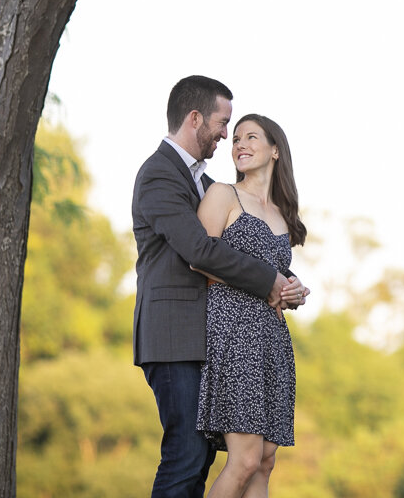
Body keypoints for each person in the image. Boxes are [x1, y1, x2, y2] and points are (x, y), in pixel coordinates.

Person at [132, 77, 308, 498]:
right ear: (195, 119)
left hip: (215, 336)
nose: (228, 136)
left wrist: (289, 286)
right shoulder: (159, 174)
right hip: (175, 335)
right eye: (224, 123)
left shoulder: (207, 184)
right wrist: (270, 282)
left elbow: (249, 249)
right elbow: (199, 249)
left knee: (214, 459)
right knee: (187, 455)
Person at [195, 113, 308, 498]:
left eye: (251, 137)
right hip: (234, 332)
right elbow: (199, 260)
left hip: (273, 340)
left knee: (264, 462)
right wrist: (267, 284)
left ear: (275, 150)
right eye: (236, 138)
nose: (239, 143)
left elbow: (276, 277)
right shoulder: (222, 195)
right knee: (243, 460)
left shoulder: (282, 213)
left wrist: (294, 290)